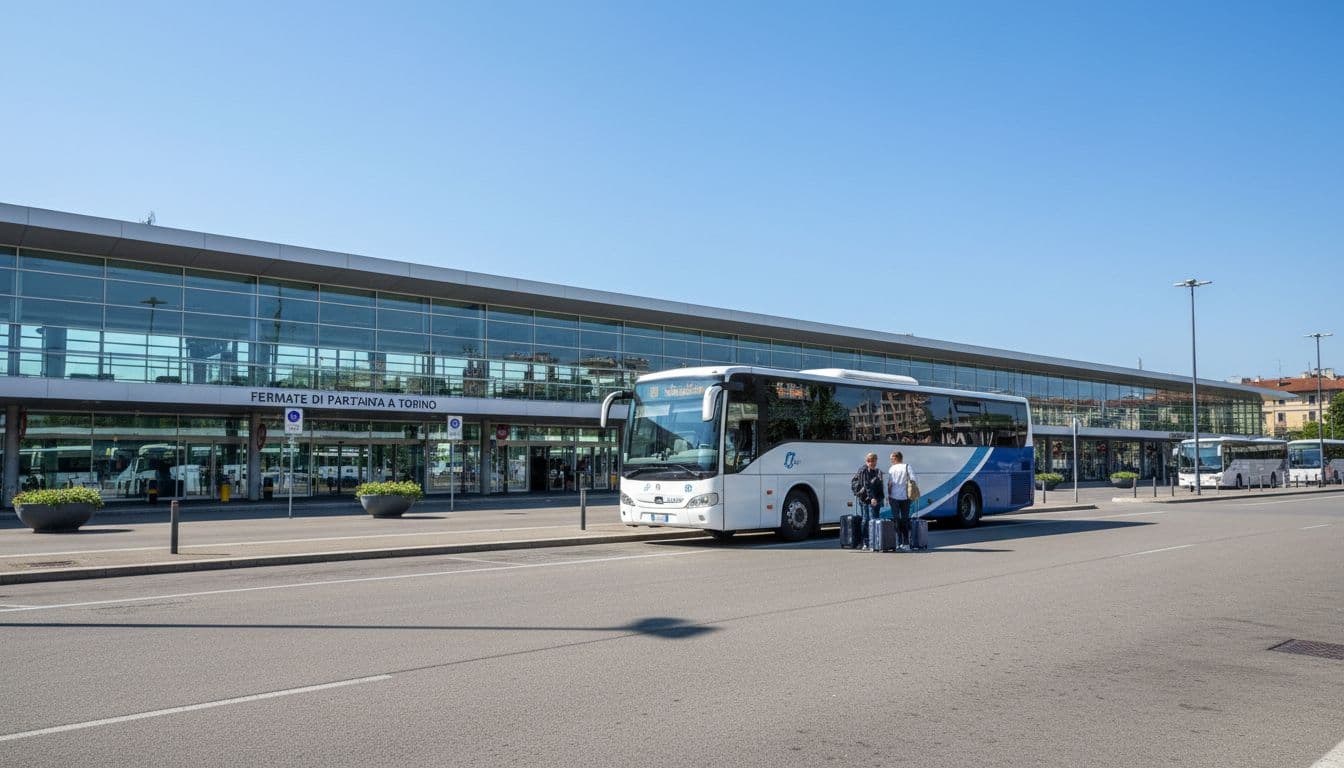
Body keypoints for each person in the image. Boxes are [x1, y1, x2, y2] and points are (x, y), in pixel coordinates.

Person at [852, 452, 885, 550]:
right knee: (867, 520)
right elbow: (866, 486)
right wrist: (872, 498)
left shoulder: (875, 471)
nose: (873, 464)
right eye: (871, 462)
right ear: (867, 461)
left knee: (874, 519)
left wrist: (879, 498)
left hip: (874, 500)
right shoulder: (863, 470)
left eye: (874, 462)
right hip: (866, 500)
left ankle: (874, 541)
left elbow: (878, 485)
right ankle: (865, 542)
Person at [887, 451, 917, 551]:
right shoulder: (907, 466)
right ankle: (906, 544)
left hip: (894, 498)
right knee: (905, 520)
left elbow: (889, 484)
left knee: (896, 520)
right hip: (905, 498)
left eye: (892, 459)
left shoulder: (892, 469)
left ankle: (898, 543)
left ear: (896, 458)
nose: (891, 461)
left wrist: (889, 495)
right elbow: (913, 479)